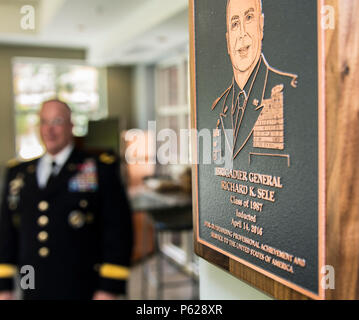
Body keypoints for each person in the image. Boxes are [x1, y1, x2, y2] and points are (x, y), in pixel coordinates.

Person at [0, 99, 133, 300]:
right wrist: (4, 286)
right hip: (32, 284)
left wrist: (109, 288)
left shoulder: (98, 168)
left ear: (71, 126)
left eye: (57, 121)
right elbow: (7, 232)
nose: (49, 130)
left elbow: (118, 229)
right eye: (44, 122)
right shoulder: (18, 173)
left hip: (81, 285)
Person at [212, 0, 298, 162]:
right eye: (235, 24)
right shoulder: (218, 106)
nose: (242, 33)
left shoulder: (291, 92)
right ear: (228, 40)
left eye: (249, 17)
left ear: (261, 25)